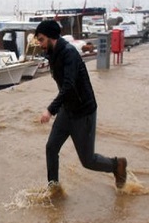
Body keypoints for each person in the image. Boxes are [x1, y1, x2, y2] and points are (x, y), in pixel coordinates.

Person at [35, 19, 127, 189]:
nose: (40, 44)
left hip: (83, 112)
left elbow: (69, 86)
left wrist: (50, 110)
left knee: (88, 161)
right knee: (51, 148)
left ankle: (117, 165)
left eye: (41, 39)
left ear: (51, 37)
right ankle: (53, 188)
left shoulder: (69, 53)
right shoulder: (53, 53)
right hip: (67, 110)